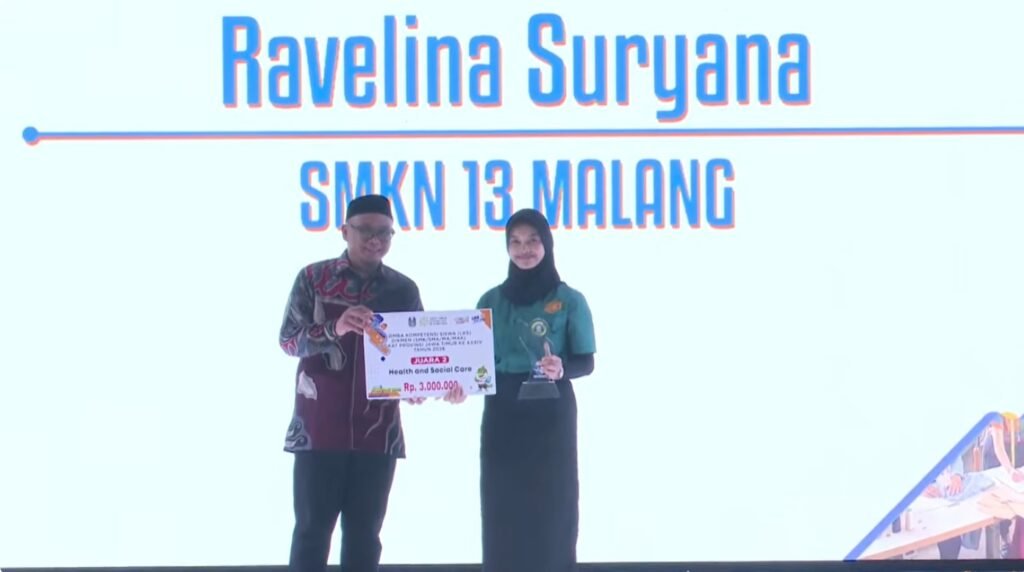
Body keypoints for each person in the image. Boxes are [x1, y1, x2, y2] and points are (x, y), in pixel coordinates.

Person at [278, 194, 462, 572]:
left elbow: (415, 361)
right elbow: (288, 340)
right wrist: (336, 326)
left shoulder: (403, 289)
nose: (375, 240)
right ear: (344, 231)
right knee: (312, 534)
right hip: (318, 430)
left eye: (384, 232)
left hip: (378, 435)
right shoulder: (313, 278)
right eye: (365, 231)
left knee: (365, 538)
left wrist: (435, 384)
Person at [476, 208, 597, 572]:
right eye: (515, 242)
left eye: (532, 240)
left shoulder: (570, 299)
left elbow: (586, 362)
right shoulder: (490, 301)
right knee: (502, 506)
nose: (524, 249)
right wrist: (455, 382)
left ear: (547, 244)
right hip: (502, 412)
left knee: (553, 507)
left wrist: (561, 367)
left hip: (550, 412)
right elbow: (473, 363)